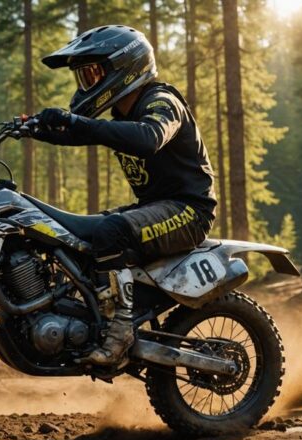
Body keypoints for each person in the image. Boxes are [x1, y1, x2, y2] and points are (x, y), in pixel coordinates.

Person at [32, 25, 217, 366]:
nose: (86, 85)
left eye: (92, 74)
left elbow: (148, 137)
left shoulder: (162, 101)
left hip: (189, 211)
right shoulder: (122, 114)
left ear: (124, 67)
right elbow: (89, 133)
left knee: (109, 231)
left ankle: (120, 332)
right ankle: (88, 317)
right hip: (157, 208)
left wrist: (75, 123)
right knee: (80, 234)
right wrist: (38, 130)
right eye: (83, 77)